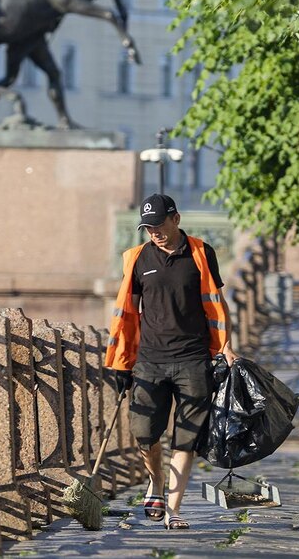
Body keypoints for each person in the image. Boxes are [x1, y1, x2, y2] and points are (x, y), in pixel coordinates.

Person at [104, 193, 239, 530]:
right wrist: (121, 364)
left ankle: (174, 510)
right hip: (150, 361)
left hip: (193, 359)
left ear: (175, 219)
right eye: (148, 227)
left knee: (186, 437)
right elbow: (126, 317)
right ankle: (157, 482)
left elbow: (217, 304)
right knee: (144, 434)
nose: (154, 232)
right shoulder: (136, 259)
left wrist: (225, 346)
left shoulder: (201, 252)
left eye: (159, 225)